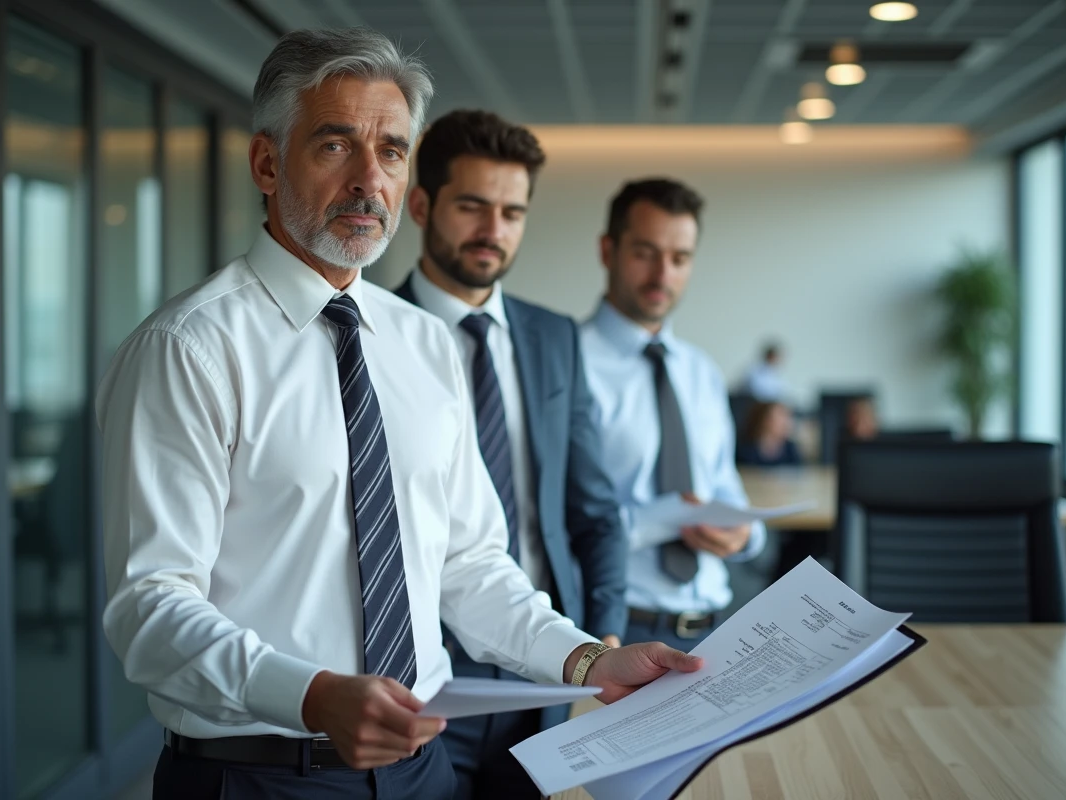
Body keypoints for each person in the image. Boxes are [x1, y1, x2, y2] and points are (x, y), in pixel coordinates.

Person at [95, 28, 700, 800]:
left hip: (423, 770)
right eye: (335, 146)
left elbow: (470, 565)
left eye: (390, 151)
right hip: (258, 776)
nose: (368, 181)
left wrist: (585, 660)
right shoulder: (190, 347)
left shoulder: (421, 342)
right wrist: (311, 693)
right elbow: (150, 608)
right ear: (267, 163)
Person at [393, 109, 627, 800]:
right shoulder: (369, 339)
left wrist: (603, 632)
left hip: (542, 662)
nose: (494, 231)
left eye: (513, 212)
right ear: (420, 205)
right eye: (472, 206)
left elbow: (595, 507)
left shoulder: (554, 338)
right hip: (423, 670)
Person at [579, 178, 766, 654]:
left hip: (717, 625)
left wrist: (745, 534)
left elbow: (725, 486)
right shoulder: (568, 365)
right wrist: (664, 518)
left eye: (680, 258)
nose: (663, 274)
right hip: (620, 630)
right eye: (645, 252)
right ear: (608, 251)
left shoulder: (700, 370)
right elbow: (559, 526)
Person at [736, 402, 801, 468]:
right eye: (780, 417)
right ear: (765, 420)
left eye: (787, 418)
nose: (786, 423)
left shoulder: (791, 450)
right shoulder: (746, 451)